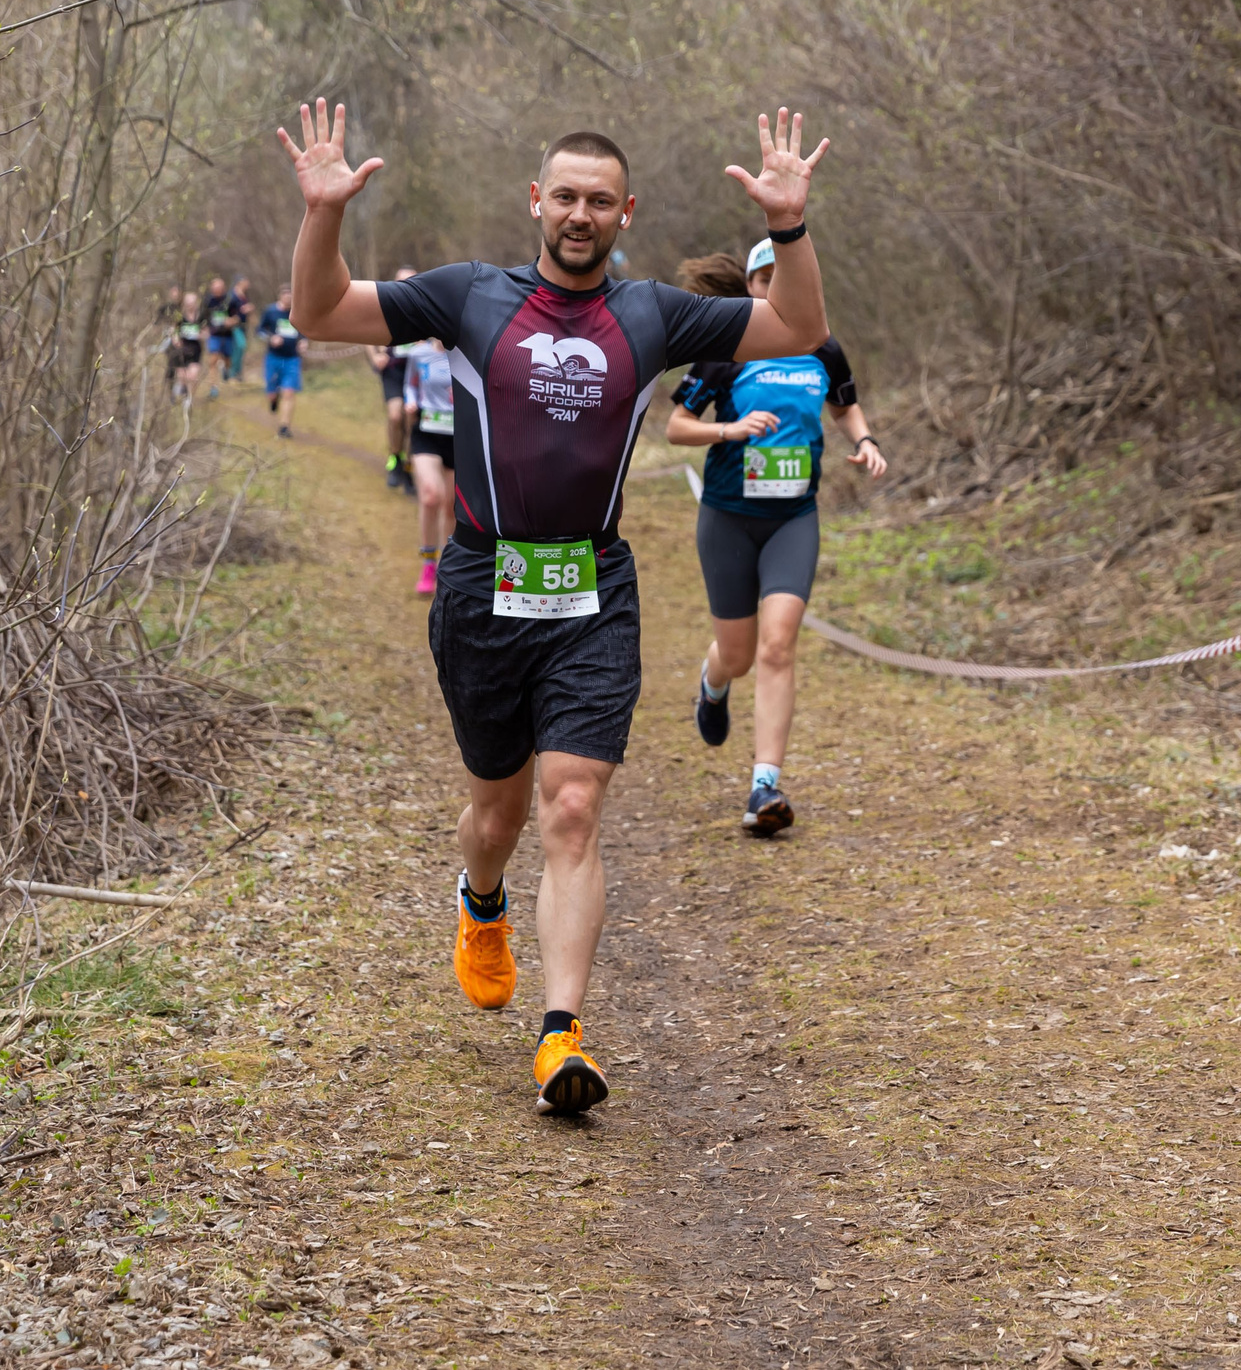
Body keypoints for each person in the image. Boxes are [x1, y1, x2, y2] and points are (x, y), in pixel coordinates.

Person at [278, 98, 834, 1115]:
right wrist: (323, 213)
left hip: (594, 589)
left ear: (628, 214)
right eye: (565, 197)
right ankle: (479, 900)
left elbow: (798, 326)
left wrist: (789, 227)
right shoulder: (465, 299)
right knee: (494, 812)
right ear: (536, 202)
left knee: (571, 805)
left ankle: (562, 1036)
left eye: (601, 202)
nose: (580, 214)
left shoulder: (654, 316)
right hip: (483, 586)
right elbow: (317, 315)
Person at [668, 241, 887, 836]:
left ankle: (764, 784)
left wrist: (863, 441)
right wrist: (730, 429)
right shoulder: (726, 349)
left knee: (779, 645)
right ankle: (713, 687)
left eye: (785, 279)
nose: (776, 289)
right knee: (737, 655)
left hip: (794, 518)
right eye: (765, 280)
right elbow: (675, 426)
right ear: (750, 286)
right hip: (728, 518)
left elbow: (846, 406)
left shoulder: (825, 348)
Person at [403, 338, 456, 594]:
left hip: (461, 438)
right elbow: (410, 386)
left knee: (452, 507)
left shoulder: (469, 353)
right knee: (431, 496)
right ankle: (428, 563)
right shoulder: (419, 354)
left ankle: (447, 566)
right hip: (427, 432)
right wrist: (410, 402)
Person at [366, 267, 420, 489]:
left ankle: (409, 467)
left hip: (417, 374)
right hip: (394, 372)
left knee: (412, 422)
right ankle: (394, 460)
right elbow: (367, 336)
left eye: (410, 281)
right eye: (401, 281)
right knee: (396, 417)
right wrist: (376, 356)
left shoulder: (425, 308)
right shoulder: (385, 307)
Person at [259, 283, 304, 436]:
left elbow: (305, 330)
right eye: (286, 296)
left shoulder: (298, 313)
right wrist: (271, 338)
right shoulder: (271, 311)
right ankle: (273, 399)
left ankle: (284, 427)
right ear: (280, 297)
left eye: (291, 297)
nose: (289, 299)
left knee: (289, 392)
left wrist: (303, 341)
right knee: (272, 392)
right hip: (274, 357)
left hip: (292, 359)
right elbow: (259, 330)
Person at [165, 286, 204, 402]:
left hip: (195, 348)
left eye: (192, 302)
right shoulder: (180, 316)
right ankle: (181, 390)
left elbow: (207, 330)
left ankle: (188, 398)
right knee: (182, 376)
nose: (190, 305)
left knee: (192, 376)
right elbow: (173, 330)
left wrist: (201, 335)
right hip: (181, 349)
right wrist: (176, 339)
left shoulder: (200, 316)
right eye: (188, 303)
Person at [202, 276, 237, 385]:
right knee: (213, 359)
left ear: (223, 288)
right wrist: (205, 328)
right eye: (215, 287)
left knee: (227, 359)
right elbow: (204, 316)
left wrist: (231, 321)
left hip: (227, 334)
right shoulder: (208, 300)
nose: (217, 290)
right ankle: (213, 385)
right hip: (214, 334)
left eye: (219, 287)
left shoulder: (230, 300)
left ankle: (226, 370)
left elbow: (237, 317)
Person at [226, 276, 254, 381]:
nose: (248, 284)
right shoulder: (232, 295)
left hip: (243, 325)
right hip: (235, 326)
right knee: (240, 346)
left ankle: (238, 373)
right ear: (240, 282)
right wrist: (233, 317)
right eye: (246, 282)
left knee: (240, 349)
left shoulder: (244, 295)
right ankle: (232, 373)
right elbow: (227, 309)